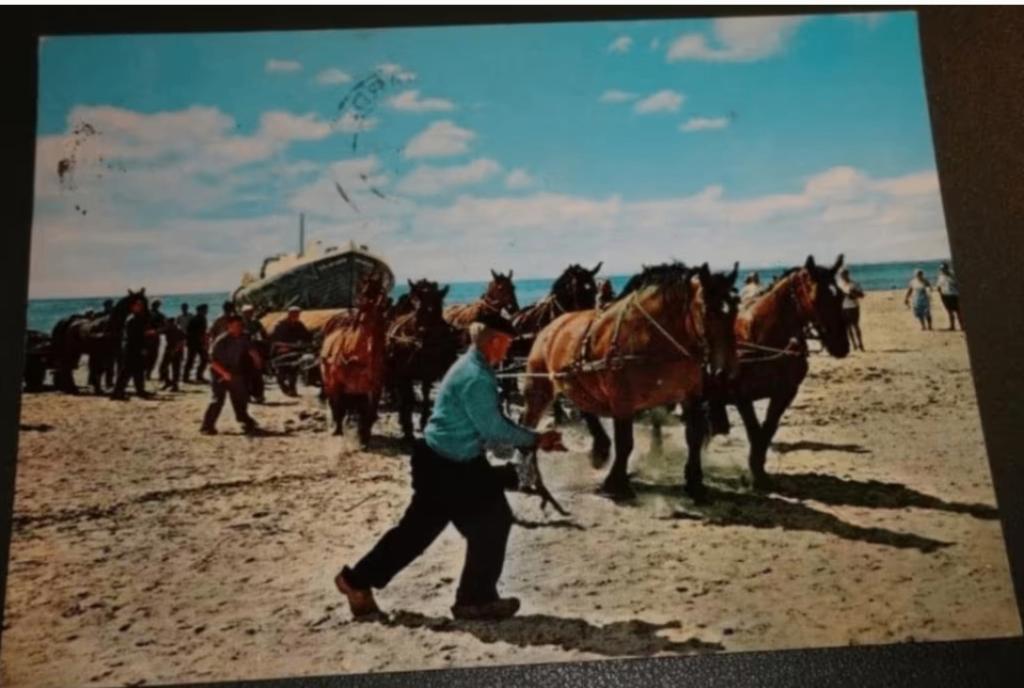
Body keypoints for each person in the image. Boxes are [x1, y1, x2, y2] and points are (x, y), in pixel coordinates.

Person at [335, 312, 566, 621]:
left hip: (448, 462)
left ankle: (357, 582)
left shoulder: (473, 367)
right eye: (507, 344)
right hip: (448, 468)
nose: (508, 351)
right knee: (487, 523)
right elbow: (494, 429)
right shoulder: (475, 377)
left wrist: (528, 441)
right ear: (494, 341)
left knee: (421, 532)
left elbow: (491, 428)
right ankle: (473, 601)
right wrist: (537, 439)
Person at [201, 314, 261, 436]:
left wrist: (257, 360)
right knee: (218, 400)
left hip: (235, 372)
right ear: (229, 327)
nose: (238, 328)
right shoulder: (221, 340)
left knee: (241, 398)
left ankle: (244, 420)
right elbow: (212, 361)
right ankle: (207, 426)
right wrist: (224, 373)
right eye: (235, 326)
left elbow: (251, 350)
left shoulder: (244, 337)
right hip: (219, 372)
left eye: (240, 326)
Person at [110, 296, 154, 401]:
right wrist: (144, 343)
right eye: (138, 305)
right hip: (132, 348)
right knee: (126, 371)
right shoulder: (133, 319)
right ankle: (117, 393)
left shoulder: (135, 318)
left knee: (138, 370)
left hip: (133, 347)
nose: (140, 307)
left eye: (141, 305)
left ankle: (140, 390)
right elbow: (135, 336)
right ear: (133, 307)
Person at [270, 306, 313, 396]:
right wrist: (286, 346)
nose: (296, 315)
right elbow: (275, 341)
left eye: (297, 314)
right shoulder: (281, 325)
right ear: (289, 314)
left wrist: (305, 343)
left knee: (293, 372)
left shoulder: (299, 325)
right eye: (294, 313)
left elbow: (306, 336)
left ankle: (292, 389)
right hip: (281, 352)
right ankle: (284, 387)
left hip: (295, 351)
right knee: (281, 373)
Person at [240, 304, 267, 404]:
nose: (249, 314)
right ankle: (247, 395)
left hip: (254, 349)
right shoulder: (240, 323)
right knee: (245, 375)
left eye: (250, 312)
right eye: (247, 312)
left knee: (257, 374)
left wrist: (264, 341)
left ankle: (258, 395)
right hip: (242, 351)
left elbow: (263, 333)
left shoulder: (255, 322)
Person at [837, 267, 866, 352]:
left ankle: (860, 344)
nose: (843, 276)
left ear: (848, 274)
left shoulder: (854, 284)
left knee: (855, 326)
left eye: (844, 274)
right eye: (841, 275)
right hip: (843, 307)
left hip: (853, 307)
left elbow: (862, 295)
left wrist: (853, 294)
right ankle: (854, 345)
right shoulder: (839, 284)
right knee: (847, 328)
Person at [159, 316, 187, 392]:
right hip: (174, 350)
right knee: (168, 368)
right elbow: (158, 331)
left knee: (171, 368)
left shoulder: (175, 330)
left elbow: (182, 341)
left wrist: (175, 350)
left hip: (174, 351)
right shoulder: (174, 329)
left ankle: (173, 384)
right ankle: (170, 383)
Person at [184, 303, 210, 383]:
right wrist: (204, 343)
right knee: (202, 359)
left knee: (193, 359)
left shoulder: (196, 318)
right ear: (201, 310)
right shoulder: (200, 319)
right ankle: (197, 376)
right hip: (196, 342)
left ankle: (188, 376)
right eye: (205, 310)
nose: (207, 311)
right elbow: (201, 332)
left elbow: (189, 331)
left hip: (193, 342)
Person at [936, 261, 963, 331]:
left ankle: (962, 326)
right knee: (949, 312)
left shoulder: (953, 274)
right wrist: (940, 294)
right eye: (941, 269)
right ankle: (952, 326)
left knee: (958, 312)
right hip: (945, 296)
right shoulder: (940, 276)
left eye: (944, 268)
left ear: (947, 268)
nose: (942, 270)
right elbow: (938, 286)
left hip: (954, 295)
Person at [145, 299, 167, 380]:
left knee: (153, 356)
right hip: (147, 337)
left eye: (157, 305)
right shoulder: (146, 314)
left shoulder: (160, 315)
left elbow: (165, 327)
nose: (156, 306)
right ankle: (147, 373)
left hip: (154, 337)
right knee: (147, 356)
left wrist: (157, 331)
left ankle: (148, 373)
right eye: (155, 304)